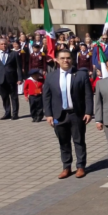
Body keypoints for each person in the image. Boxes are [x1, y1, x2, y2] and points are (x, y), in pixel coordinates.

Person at [43, 49, 94, 179]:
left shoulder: (81, 75)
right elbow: (47, 97)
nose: (66, 60)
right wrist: (48, 114)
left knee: (79, 141)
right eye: (62, 58)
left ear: (72, 59)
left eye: (68, 58)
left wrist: (88, 112)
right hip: (59, 115)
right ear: (57, 60)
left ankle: (81, 166)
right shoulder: (51, 76)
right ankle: (66, 167)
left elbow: (88, 95)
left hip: (76, 114)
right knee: (63, 142)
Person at [0, 38, 22, 120]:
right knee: (4, 97)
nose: (4, 46)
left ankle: (15, 114)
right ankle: (7, 112)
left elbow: (19, 67)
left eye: (5, 44)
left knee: (14, 97)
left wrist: (20, 78)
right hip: (0, 79)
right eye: (2, 44)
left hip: (12, 78)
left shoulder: (14, 54)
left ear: (8, 44)